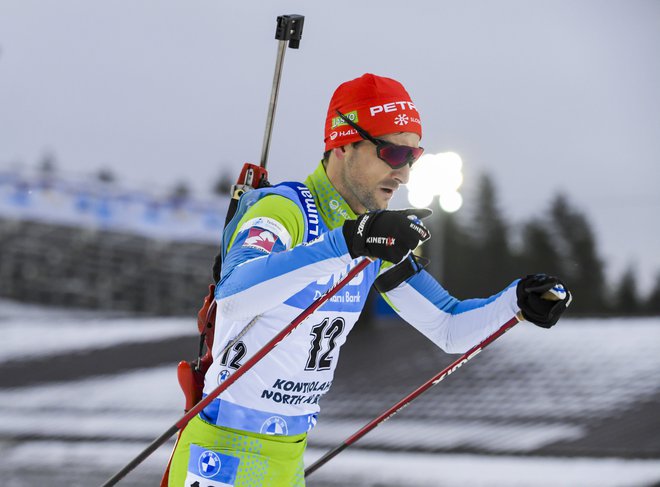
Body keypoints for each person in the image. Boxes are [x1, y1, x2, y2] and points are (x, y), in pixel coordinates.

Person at [168, 73, 571, 486]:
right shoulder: (284, 212)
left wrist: (517, 303)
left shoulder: (370, 239)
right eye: (393, 154)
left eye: (414, 157)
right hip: (221, 452)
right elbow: (234, 294)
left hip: (286, 458)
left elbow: (448, 327)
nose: (405, 173)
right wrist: (348, 243)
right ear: (343, 144)